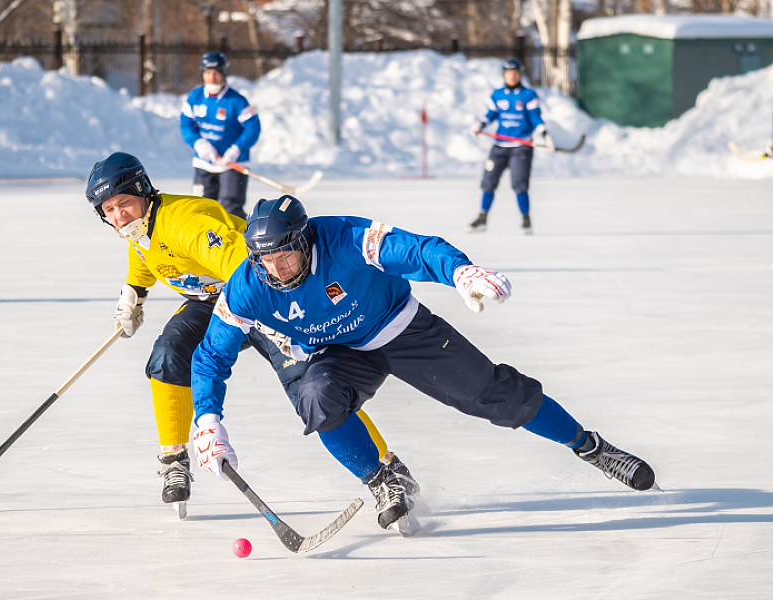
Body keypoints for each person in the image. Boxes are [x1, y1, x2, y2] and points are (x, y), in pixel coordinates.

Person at [190, 195, 657, 533]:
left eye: (286, 255)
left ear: (305, 239)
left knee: (496, 396)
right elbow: (212, 355)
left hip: (401, 329)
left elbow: (415, 249)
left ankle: (591, 447)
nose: (278, 269)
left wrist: (460, 271)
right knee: (315, 397)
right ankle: (383, 481)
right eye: (266, 260)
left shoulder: (345, 237)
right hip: (337, 352)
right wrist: (207, 419)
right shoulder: (247, 286)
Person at [85, 152, 415, 515]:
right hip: (210, 303)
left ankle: (386, 471)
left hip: (262, 298)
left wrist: (276, 322)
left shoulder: (188, 225)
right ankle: (174, 461)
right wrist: (133, 293)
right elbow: (145, 255)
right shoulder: (139, 228)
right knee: (168, 354)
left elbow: (243, 270)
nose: (119, 215)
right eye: (109, 210)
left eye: (124, 203)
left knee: (309, 389)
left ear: (144, 193)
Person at [469, 58, 551, 235]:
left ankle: (526, 220)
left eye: (515, 73)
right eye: (508, 73)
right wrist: (480, 124)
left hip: (521, 147)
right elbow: (491, 114)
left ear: (520, 74)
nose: (512, 76)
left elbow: (535, 117)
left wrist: (545, 134)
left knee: (519, 184)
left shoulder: (528, 95)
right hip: (499, 146)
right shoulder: (497, 95)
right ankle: (482, 217)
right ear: (504, 75)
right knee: (488, 182)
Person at [180, 51, 260, 219]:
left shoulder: (237, 101)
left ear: (224, 73)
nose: (212, 77)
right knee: (202, 210)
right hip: (204, 163)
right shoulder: (194, 97)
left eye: (216, 73)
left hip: (232, 165)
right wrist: (198, 143)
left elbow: (253, 128)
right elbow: (186, 126)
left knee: (231, 211)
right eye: (208, 73)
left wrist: (236, 149)